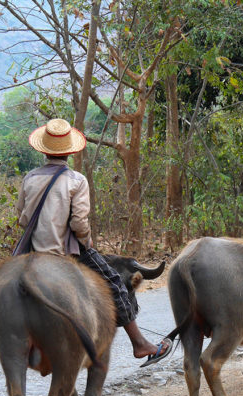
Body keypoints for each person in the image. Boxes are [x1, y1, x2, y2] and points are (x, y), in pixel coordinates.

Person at [17, 118, 172, 365]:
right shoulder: (76, 180)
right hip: (67, 254)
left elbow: (23, 220)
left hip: (34, 253)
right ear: (69, 150)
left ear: (44, 149)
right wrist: (87, 243)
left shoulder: (29, 178)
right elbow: (79, 224)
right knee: (114, 284)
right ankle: (140, 344)